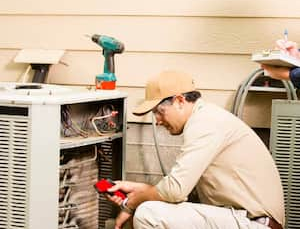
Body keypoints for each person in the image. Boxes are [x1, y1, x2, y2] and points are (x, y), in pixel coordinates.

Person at [106, 70, 285, 229]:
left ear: (179, 101)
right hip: (241, 218)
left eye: (159, 112)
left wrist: (131, 203)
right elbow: (178, 192)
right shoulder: (206, 118)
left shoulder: (205, 123)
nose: (158, 121)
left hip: (255, 223)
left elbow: (174, 191)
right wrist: (142, 189)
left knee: (149, 214)